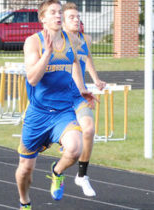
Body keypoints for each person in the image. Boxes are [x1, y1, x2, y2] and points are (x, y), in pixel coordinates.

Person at [15, 0, 97, 209]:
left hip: (63, 111)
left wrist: (81, 89)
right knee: (25, 169)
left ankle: (57, 172)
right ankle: (25, 202)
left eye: (60, 12)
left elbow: (76, 62)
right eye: (52, 12)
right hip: (38, 114)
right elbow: (32, 79)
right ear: (43, 18)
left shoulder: (72, 40)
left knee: (75, 148)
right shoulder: (34, 42)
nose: (58, 16)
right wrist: (46, 56)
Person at [62, 2, 106, 197]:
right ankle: (57, 171)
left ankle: (82, 175)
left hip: (79, 94)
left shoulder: (84, 40)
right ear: (61, 21)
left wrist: (95, 80)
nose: (76, 19)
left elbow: (87, 59)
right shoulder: (57, 41)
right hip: (59, 97)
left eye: (77, 16)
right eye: (71, 17)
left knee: (88, 129)